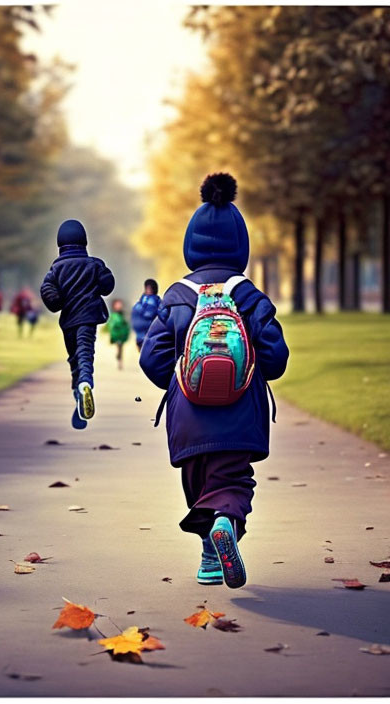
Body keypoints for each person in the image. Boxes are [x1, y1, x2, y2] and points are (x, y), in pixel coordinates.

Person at [139, 173, 288, 589]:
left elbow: (152, 362)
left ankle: (209, 554)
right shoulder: (248, 295)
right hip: (240, 415)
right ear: (241, 246)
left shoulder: (178, 295)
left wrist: (182, 379)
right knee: (232, 485)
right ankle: (224, 526)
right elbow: (276, 359)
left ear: (191, 244)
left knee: (200, 486)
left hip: (189, 417)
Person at [40, 219, 114, 430]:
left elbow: (48, 291)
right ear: (84, 242)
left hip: (69, 321)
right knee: (85, 354)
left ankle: (78, 393)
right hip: (88, 318)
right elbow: (108, 285)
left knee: (74, 359)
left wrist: (57, 299)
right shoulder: (94, 264)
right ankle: (85, 385)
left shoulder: (56, 268)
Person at [131, 278, 161, 351]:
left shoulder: (152, 300)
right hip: (142, 336)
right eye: (147, 288)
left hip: (147, 336)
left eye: (150, 288)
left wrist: (139, 309)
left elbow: (149, 314)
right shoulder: (144, 300)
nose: (148, 290)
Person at [105, 298, 130, 370]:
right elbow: (110, 325)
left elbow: (126, 324)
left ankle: (119, 359)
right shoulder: (113, 315)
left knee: (120, 347)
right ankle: (119, 357)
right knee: (119, 346)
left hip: (122, 334)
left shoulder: (123, 314)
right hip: (116, 334)